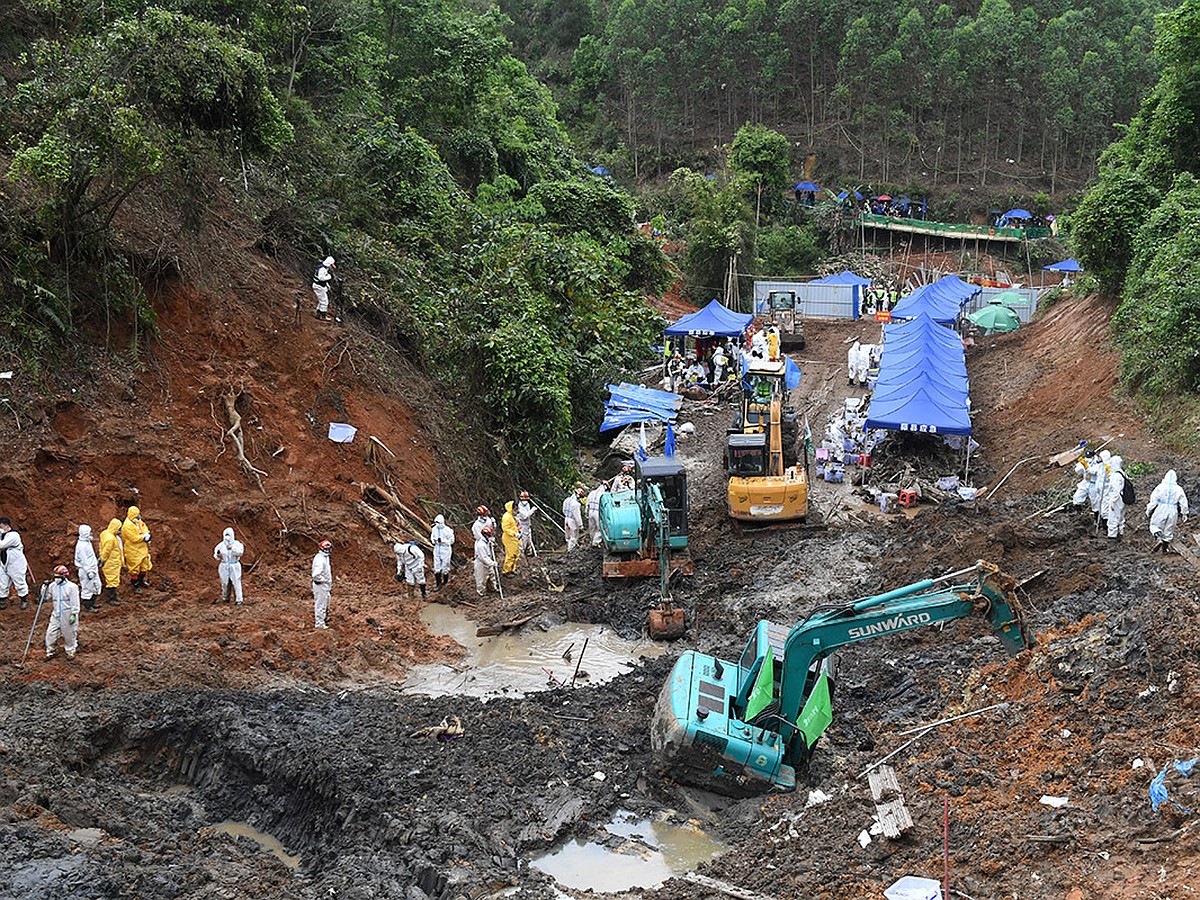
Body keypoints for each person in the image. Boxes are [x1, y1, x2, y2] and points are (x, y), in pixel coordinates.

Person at [1147, 470, 1189, 552]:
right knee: (1168, 530)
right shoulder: (1178, 489)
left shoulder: (1160, 487)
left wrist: (1149, 510)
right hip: (1173, 510)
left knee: (1155, 526)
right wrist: (1184, 513)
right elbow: (1183, 502)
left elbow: (1153, 500)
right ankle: (1165, 549)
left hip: (1161, 508)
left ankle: (1159, 538)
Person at [44, 565, 81, 660]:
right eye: (55, 577)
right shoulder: (52, 586)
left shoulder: (72, 587)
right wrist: (44, 587)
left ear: (64, 577)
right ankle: (51, 651)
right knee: (50, 633)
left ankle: (70, 651)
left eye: (58, 577)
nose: (56, 579)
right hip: (56, 613)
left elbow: (75, 602)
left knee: (69, 634)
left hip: (67, 614)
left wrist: (74, 613)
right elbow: (45, 597)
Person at [0, 517, 30, 610]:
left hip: (15, 563)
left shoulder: (13, 535)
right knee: (2, 582)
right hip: (3, 562)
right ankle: (2, 600)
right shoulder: (2, 535)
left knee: (19, 581)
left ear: (6, 525)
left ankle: (24, 599)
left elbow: (2, 545)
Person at [121, 506, 152, 589]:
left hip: (142, 548)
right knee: (134, 568)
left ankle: (141, 581)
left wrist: (147, 534)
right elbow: (133, 538)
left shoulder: (138, 521)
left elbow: (144, 527)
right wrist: (143, 537)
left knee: (144, 566)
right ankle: (135, 584)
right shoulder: (127, 526)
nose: (138, 517)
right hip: (133, 549)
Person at [214, 527, 245, 605]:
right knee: (224, 582)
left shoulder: (237, 544)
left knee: (236, 582)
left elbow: (240, 553)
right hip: (224, 565)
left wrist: (232, 549)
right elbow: (215, 554)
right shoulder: (220, 545)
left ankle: (239, 599)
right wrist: (218, 556)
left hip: (234, 565)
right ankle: (225, 597)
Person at [74, 524, 101, 613]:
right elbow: (84, 560)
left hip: (92, 569)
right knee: (87, 588)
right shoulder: (81, 546)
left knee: (96, 586)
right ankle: (87, 606)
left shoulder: (86, 542)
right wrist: (89, 571)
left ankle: (92, 603)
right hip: (86, 571)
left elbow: (90, 557)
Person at [98, 517, 124, 605]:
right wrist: (103, 559)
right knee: (112, 580)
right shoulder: (110, 539)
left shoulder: (105, 533)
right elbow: (106, 551)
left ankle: (114, 596)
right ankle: (111, 598)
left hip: (112, 561)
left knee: (113, 579)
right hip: (111, 562)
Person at [1103, 456, 1127, 540]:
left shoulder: (1116, 475)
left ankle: (1112, 536)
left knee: (1113, 517)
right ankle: (1120, 532)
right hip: (1122, 497)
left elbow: (1115, 490)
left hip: (1117, 499)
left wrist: (1113, 501)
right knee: (1120, 516)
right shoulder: (1122, 473)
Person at [311, 539, 333, 629]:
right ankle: (319, 624)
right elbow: (316, 575)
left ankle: (323, 620)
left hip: (325, 585)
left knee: (326, 603)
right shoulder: (320, 559)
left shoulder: (325, 557)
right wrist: (324, 580)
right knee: (321, 604)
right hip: (321, 585)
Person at [430, 515, 455, 589]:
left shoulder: (448, 530)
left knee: (445, 566)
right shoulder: (434, 529)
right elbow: (432, 537)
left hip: (445, 549)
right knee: (436, 566)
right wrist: (434, 540)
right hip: (437, 548)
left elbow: (452, 541)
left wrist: (443, 541)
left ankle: (445, 582)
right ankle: (438, 584)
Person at [473, 525, 498, 596]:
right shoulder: (481, 545)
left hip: (488, 561)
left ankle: (493, 588)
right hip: (481, 563)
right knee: (482, 578)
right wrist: (492, 563)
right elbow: (483, 557)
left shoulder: (488, 542)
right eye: (489, 535)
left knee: (492, 575)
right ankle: (481, 592)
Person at [1089, 449, 1113, 521]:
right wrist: (1086, 466)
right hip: (1099, 492)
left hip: (1106, 492)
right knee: (1098, 507)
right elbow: (1092, 471)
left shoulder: (1110, 466)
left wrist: (1109, 471)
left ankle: (1106, 526)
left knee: (1105, 510)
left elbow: (1113, 477)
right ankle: (1099, 522)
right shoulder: (1100, 466)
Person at [501, 501, 520, 575]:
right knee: (510, 555)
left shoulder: (511, 516)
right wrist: (514, 533)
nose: (517, 509)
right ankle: (506, 571)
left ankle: (513, 569)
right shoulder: (506, 517)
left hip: (514, 538)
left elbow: (513, 526)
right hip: (509, 538)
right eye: (515, 507)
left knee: (516, 554)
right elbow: (505, 529)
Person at [562, 487, 584, 552]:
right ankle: (571, 551)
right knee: (573, 536)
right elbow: (577, 516)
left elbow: (563, 510)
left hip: (566, 519)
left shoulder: (566, 500)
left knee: (568, 536)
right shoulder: (576, 504)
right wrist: (580, 525)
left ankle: (568, 548)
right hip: (572, 521)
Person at [516, 491, 537, 557]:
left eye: (526, 499)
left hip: (528, 525)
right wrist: (532, 510)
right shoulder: (519, 506)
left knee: (529, 540)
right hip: (522, 525)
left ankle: (529, 554)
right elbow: (525, 516)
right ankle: (521, 555)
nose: (524, 501)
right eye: (523, 499)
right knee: (523, 541)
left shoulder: (527, 504)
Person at [586, 483, 606, 547]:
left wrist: (586, 513)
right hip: (597, 512)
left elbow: (587, 504)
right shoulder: (603, 494)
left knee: (592, 528)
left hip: (591, 511)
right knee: (599, 528)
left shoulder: (591, 493)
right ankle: (596, 542)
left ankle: (592, 540)